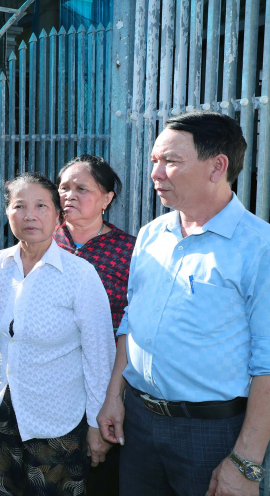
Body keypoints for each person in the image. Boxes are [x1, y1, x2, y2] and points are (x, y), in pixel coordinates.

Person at [96, 111, 270, 496]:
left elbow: (268, 364)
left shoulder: (259, 248)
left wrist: (245, 462)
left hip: (212, 435)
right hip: (139, 426)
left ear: (217, 166)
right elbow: (131, 321)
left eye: (170, 161)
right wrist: (114, 397)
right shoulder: (151, 234)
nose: (155, 173)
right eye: (155, 161)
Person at [0, 172, 116, 496]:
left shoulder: (79, 275)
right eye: (20, 206)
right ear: (7, 212)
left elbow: (99, 355)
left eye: (42, 206)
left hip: (57, 419)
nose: (30, 215)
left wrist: (97, 423)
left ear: (58, 214)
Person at [54, 155, 136, 496]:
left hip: (106, 378)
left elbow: (131, 323)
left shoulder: (128, 251)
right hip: (51, 382)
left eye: (81, 188)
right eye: (63, 187)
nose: (69, 195)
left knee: (101, 478)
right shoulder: (43, 242)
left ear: (107, 198)